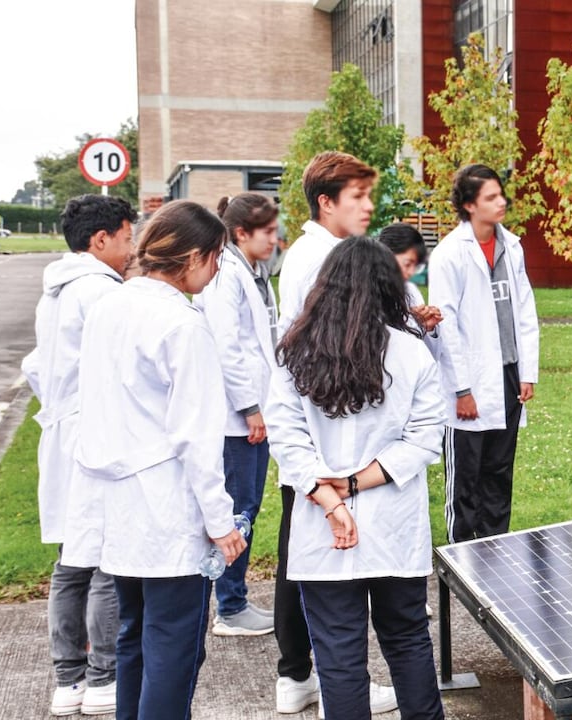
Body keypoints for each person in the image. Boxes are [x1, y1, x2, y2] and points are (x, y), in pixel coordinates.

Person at [66, 200, 246, 719]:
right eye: (216, 259)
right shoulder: (182, 325)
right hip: (167, 507)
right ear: (193, 257)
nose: (215, 274)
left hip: (118, 502)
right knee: (174, 644)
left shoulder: (109, 307)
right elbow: (197, 437)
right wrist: (220, 522)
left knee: (135, 635)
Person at [265, 237, 447, 720]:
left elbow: (286, 438)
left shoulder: (293, 355)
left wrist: (330, 497)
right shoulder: (410, 354)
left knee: (338, 657)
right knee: (408, 640)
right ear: (390, 287)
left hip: (322, 527)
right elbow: (425, 439)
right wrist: (351, 487)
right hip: (392, 525)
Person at [273, 150, 397, 716]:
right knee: (316, 565)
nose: (369, 207)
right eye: (358, 198)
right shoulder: (313, 260)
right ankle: (312, 675)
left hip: (329, 444)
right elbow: (315, 356)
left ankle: (309, 674)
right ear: (326, 203)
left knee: (315, 562)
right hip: (321, 444)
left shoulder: (328, 252)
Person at [21, 194, 137, 717]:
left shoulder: (57, 290)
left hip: (64, 432)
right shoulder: (101, 294)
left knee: (72, 561)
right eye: (129, 237)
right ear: (101, 239)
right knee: (105, 561)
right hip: (95, 436)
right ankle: (103, 677)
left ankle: (67, 679)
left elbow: (35, 366)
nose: (133, 249)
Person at [429, 164, 539, 543]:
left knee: (499, 471)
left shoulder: (513, 246)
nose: (501, 202)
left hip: (507, 377)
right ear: (469, 205)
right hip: (469, 382)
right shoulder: (449, 255)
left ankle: (497, 549)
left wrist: (527, 372)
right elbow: (448, 326)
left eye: (500, 194)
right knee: (466, 479)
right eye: (491, 197)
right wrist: (461, 390)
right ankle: (462, 558)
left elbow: (525, 310)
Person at [192, 193, 280, 637]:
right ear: (242, 232)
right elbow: (227, 347)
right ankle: (229, 606)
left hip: (254, 408)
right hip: (238, 415)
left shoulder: (253, 271)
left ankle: (234, 598)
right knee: (238, 508)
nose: (276, 238)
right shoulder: (226, 274)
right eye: (268, 231)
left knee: (248, 504)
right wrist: (250, 407)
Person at [378, 222, 442, 338]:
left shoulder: (410, 291)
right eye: (407, 264)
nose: (411, 272)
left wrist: (428, 327)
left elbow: (424, 349)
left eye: (416, 266)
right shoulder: (365, 293)